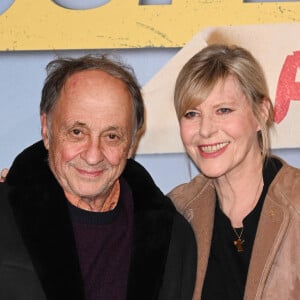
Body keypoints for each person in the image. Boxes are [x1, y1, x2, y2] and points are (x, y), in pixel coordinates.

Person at [0, 54, 196, 299]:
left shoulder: (173, 240)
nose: (93, 156)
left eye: (112, 136)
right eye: (77, 132)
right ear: (46, 129)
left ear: (132, 141)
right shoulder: (6, 215)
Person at [168, 44, 300, 299]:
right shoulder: (177, 212)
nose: (205, 130)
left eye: (223, 110)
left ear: (261, 111)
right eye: (192, 113)